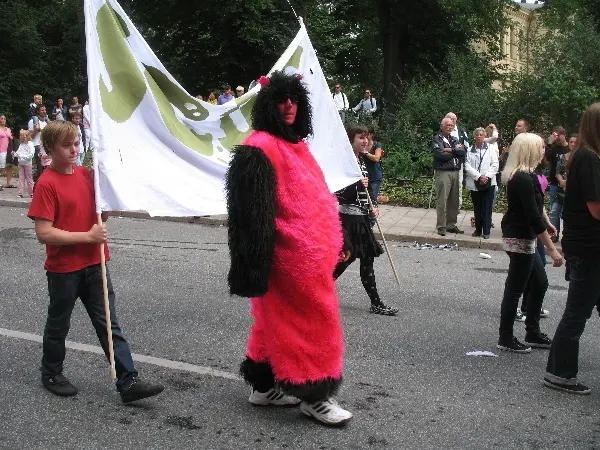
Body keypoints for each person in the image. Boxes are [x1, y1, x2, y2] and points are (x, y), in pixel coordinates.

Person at [226, 71, 353, 425]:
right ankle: (315, 394)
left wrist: (335, 240)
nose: (289, 107)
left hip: (309, 257)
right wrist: (251, 268)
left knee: (273, 320)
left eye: (294, 100)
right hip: (290, 260)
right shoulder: (260, 148)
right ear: (268, 104)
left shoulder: (295, 145)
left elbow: (312, 200)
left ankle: (264, 386)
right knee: (313, 324)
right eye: (281, 100)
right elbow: (248, 217)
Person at [27, 120, 164, 402]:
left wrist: (109, 209)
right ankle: (51, 372)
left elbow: (100, 215)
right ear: (50, 148)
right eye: (66, 145)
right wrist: (88, 236)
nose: (74, 149)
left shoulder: (89, 176)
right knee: (58, 324)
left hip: (95, 263)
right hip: (64, 270)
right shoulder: (46, 183)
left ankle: (128, 380)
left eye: (76, 143)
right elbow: (44, 233)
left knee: (109, 324)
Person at [544, 103, 600, 395]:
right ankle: (560, 373)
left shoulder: (586, 156)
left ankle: (559, 371)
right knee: (577, 312)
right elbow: (596, 208)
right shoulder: (589, 158)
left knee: (579, 309)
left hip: (587, 244)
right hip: (589, 247)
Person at [497, 133, 563, 354]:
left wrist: (548, 223)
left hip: (525, 235)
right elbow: (532, 216)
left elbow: (538, 207)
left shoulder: (529, 175)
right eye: (541, 147)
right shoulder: (521, 178)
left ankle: (532, 332)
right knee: (516, 288)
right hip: (519, 237)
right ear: (530, 150)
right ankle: (505, 337)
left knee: (540, 282)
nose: (544, 150)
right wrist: (553, 250)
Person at [333, 124, 398, 316]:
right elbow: (337, 192)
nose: (366, 141)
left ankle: (376, 303)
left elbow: (367, 190)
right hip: (348, 218)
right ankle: (314, 293)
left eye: (367, 138)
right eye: (361, 138)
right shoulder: (345, 163)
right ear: (351, 140)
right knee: (346, 258)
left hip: (361, 217)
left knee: (366, 258)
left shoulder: (360, 161)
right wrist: (356, 186)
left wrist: (372, 207)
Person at [433, 117, 467, 236]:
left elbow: (462, 152)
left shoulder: (454, 139)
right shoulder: (437, 138)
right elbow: (440, 155)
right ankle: (441, 226)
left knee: (454, 200)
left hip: (455, 172)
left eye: (451, 125)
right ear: (442, 126)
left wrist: (449, 150)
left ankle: (451, 225)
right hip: (443, 172)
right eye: (447, 125)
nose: (450, 127)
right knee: (442, 200)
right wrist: (454, 151)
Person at [464, 128, 499, 239]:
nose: (479, 136)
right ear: (474, 137)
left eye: (481, 135)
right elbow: (467, 165)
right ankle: (478, 230)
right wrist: (479, 176)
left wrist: (487, 176)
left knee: (487, 207)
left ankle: (486, 231)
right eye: (477, 135)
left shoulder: (491, 149)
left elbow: (495, 164)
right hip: (475, 182)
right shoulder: (470, 150)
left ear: (484, 137)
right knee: (477, 207)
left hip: (489, 182)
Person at [546, 126, 570, 242]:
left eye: (558, 135)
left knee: (566, 210)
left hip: (568, 185)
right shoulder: (554, 148)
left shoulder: (569, 148)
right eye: (555, 135)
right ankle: (554, 233)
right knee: (554, 210)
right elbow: (546, 159)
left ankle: (567, 235)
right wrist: (550, 143)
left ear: (564, 134)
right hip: (555, 183)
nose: (557, 138)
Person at [446, 112, 470, 210]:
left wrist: (457, 149)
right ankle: (446, 206)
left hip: (458, 162)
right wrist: (455, 148)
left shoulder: (461, 131)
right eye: (450, 118)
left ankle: (457, 206)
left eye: (454, 119)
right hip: (446, 162)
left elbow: (466, 146)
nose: (452, 120)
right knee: (446, 184)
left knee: (458, 184)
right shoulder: (443, 131)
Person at [28, 104, 50, 181]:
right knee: (39, 168)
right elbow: (30, 137)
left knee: (45, 167)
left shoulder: (46, 121)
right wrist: (36, 130)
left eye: (45, 110)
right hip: (36, 145)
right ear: (38, 111)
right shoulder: (32, 121)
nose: (44, 111)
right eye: (42, 110)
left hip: (45, 147)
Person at [363, 126, 384, 201]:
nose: (365, 136)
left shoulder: (377, 145)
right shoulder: (362, 145)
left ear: (371, 135)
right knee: (364, 199)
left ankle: (373, 211)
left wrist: (366, 153)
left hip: (375, 176)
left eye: (366, 134)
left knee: (372, 199)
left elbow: (376, 158)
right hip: (364, 176)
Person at [16, 130, 34, 198]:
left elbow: (31, 154)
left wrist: (24, 157)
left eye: (21, 135)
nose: (20, 137)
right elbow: (18, 152)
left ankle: (31, 192)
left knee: (29, 178)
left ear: (25, 136)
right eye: (20, 135)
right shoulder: (21, 144)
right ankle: (20, 193)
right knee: (21, 178)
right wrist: (15, 154)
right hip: (21, 163)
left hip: (27, 163)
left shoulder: (30, 144)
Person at [0, 115, 14, 190]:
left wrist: (9, 135)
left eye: (5, 118)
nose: (3, 120)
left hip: (8, 150)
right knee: (1, 167)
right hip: (1, 150)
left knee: (9, 166)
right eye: (2, 118)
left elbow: (12, 138)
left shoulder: (8, 129)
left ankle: (8, 182)